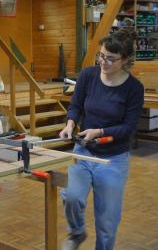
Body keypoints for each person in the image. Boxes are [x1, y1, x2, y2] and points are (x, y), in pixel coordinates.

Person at [59, 29, 144, 250]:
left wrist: (99, 132)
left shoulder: (134, 88)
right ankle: (77, 233)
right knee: (71, 196)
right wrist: (70, 124)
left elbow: (128, 127)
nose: (103, 62)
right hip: (84, 151)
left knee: (107, 223)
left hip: (113, 159)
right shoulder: (88, 75)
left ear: (124, 60)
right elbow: (76, 105)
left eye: (110, 58)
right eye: (101, 55)